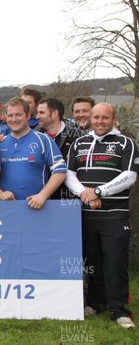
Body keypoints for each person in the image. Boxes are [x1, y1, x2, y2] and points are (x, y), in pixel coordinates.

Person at [65, 102, 138, 329]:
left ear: (113, 119)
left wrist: (98, 191)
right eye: (96, 117)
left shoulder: (126, 143)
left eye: (104, 118)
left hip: (114, 214)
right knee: (92, 262)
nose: (99, 121)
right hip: (85, 213)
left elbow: (129, 176)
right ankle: (96, 303)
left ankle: (119, 311)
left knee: (115, 262)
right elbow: (69, 174)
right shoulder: (79, 143)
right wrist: (86, 195)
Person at [0, 98, 66, 209]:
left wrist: (42, 195)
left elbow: (60, 171)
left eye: (18, 115)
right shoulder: (0, 143)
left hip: (38, 209)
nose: (14, 119)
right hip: (6, 211)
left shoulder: (43, 140)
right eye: (10, 116)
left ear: (28, 116)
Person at [36, 97, 82, 199]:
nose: (37, 116)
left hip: (71, 198)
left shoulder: (78, 136)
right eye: (37, 112)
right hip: (40, 197)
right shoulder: (35, 137)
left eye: (41, 113)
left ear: (54, 114)